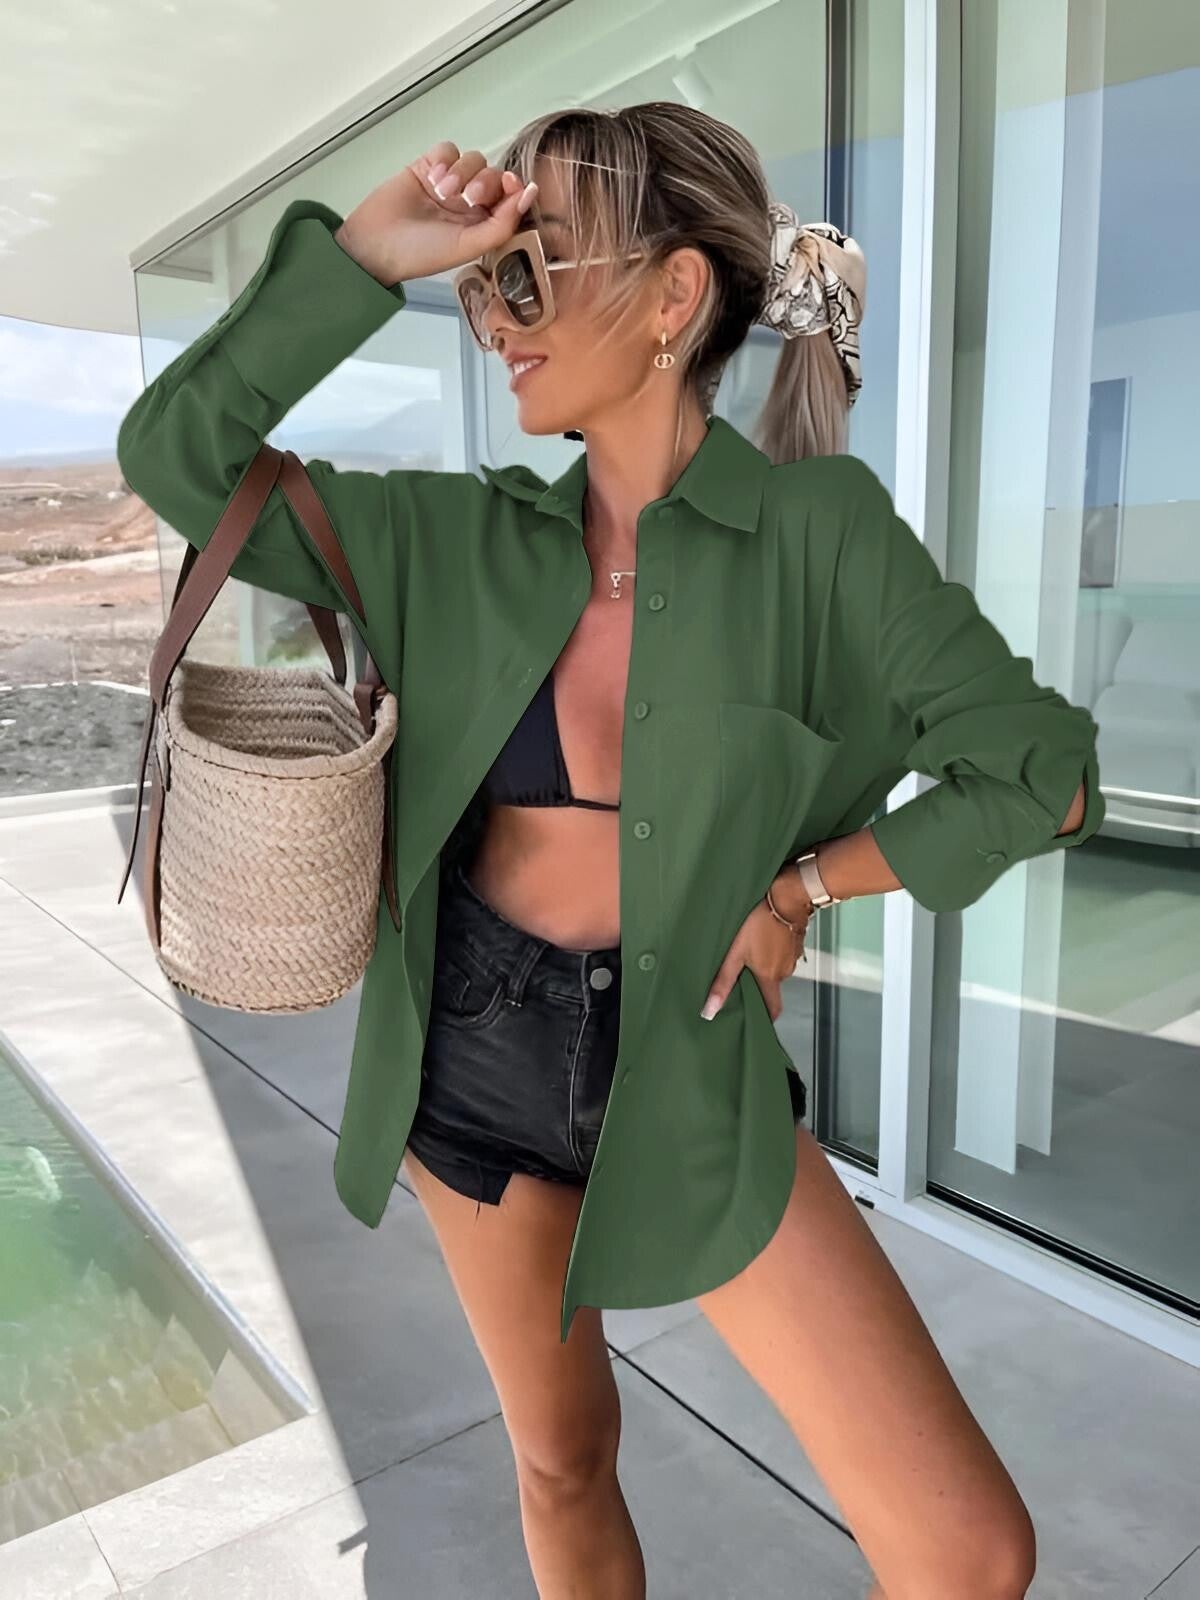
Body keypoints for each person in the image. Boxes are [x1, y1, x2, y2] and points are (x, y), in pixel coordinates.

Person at [118, 103, 1103, 1599]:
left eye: (532, 270)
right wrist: (366, 258)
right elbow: (177, 456)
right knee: (562, 1460)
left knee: (966, 1550)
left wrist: (807, 885)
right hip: (470, 1053)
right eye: (483, 285)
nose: (495, 319)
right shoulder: (453, 540)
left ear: (672, 297)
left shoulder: (821, 536)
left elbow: (1043, 775)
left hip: (688, 1060)